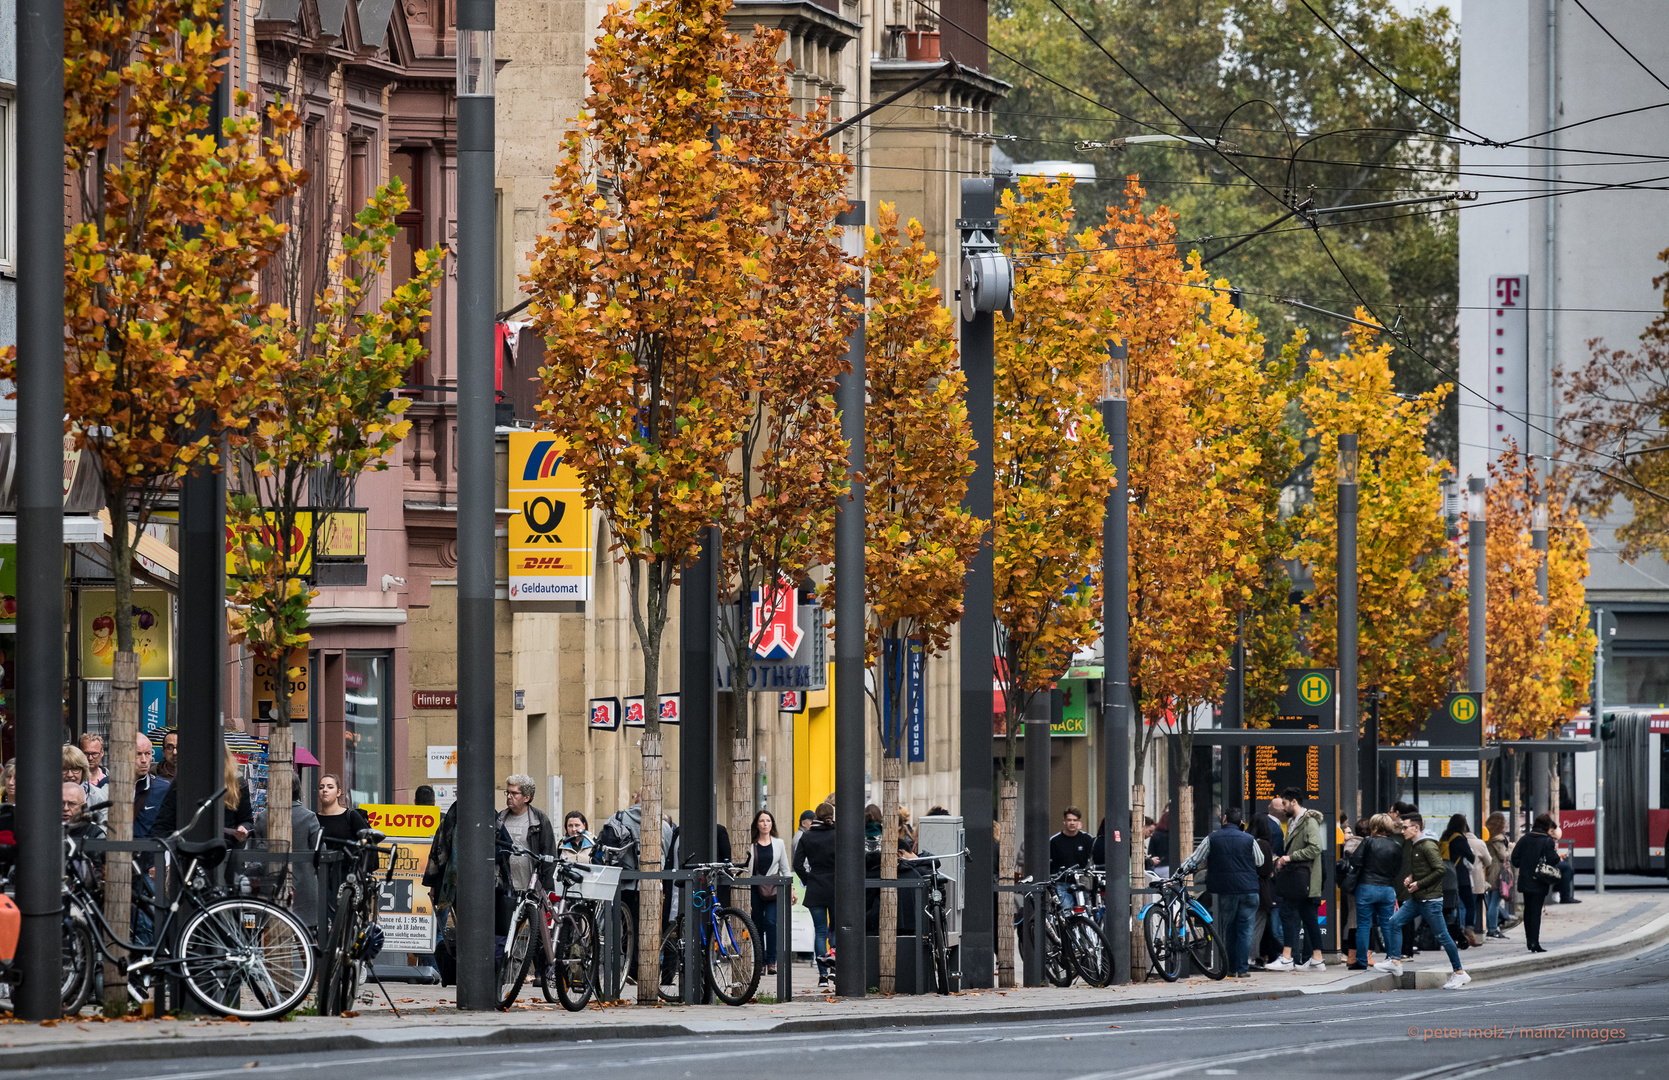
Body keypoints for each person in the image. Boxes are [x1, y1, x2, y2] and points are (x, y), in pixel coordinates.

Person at [1378, 813, 1470, 988]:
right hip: (1418, 899)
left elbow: (1439, 870)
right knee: (1394, 922)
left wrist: (1418, 884)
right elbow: (1425, 869)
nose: (1402, 830)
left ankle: (1459, 972)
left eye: (1405, 827)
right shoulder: (1415, 845)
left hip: (1430, 900)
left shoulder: (1427, 845)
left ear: (1416, 827)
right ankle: (1395, 962)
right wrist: (1411, 878)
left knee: (1443, 936)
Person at [1177, 807, 1262, 979]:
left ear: (1224, 819)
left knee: (1229, 929)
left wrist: (1178, 873)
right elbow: (1260, 861)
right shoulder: (1249, 839)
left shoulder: (1212, 838)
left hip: (1226, 890)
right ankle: (1243, 969)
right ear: (1241, 823)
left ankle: (1230, 968)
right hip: (1249, 890)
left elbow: (1195, 859)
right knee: (1245, 930)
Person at [598, 789, 676, 968]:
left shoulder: (617, 818)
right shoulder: (663, 826)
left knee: (624, 927)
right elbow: (666, 851)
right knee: (648, 930)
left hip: (623, 884)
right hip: (652, 886)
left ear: (635, 799)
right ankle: (642, 967)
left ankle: (623, 965)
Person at [1268, 788, 1325, 971]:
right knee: (1309, 917)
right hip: (1301, 878)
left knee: (1286, 912)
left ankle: (1286, 957)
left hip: (1302, 878)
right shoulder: (1294, 821)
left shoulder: (1308, 821)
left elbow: (1315, 847)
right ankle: (1317, 957)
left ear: (1293, 802)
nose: (1282, 808)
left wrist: (1289, 858)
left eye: (1284, 803)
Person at [1350, 814, 1404, 972]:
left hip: (1366, 886)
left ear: (1373, 826)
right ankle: (1390, 958)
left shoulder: (1368, 841)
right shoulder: (1396, 845)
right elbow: (1397, 869)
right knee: (1387, 924)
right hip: (1387, 888)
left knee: (1364, 925)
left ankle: (1361, 960)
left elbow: (1355, 860)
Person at [794, 801, 837, 990]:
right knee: (835, 929)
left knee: (820, 931)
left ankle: (822, 976)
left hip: (816, 886)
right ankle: (835, 967)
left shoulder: (807, 836)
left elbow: (797, 864)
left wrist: (808, 879)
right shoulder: (838, 834)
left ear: (815, 817)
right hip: (836, 886)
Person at [497, 773, 557, 893]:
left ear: (527, 797)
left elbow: (549, 856)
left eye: (514, 793)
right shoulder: (500, 818)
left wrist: (548, 891)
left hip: (531, 889)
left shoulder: (539, 820)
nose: (509, 796)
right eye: (507, 792)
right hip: (505, 888)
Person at [1511, 813, 1562, 952]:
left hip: (1526, 880)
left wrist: (1526, 864)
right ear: (1546, 827)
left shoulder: (1525, 839)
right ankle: (1535, 942)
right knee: (1536, 912)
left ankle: (1530, 941)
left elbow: (1514, 859)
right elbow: (1553, 860)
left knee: (1528, 911)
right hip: (1540, 881)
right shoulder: (1547, 841)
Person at [746, 810, 789, 976]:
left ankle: (772, 961)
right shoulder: (751, 844)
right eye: (762, 821)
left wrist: (790, 888)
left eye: (768, 821)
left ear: (772, 824)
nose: (765, 824)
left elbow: (785, 868)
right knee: (756, 924)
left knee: (771, 923)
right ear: (757, 824)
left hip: (772, 889)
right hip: (754, 889)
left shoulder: (778, 843)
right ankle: (760, 961)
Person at [1440, 814, 1481, 948]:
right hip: (1460, 876)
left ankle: (1451, 931)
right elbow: (1471, 857)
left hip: (1446, 876)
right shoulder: (1460, 839)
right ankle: (1467, 930)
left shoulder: (1445, 836)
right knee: (1469, 904)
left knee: (1450, 905)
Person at [1247, 811, 1278, 969]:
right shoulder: (1263, 844)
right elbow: (1266, 869)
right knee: (1257, 924)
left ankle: (1247, 956)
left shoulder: (1247, 840)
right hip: (1261, 888)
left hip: (1246, 886)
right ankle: (1252, 957)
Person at [1484, 812, 1510, 939]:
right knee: (1495, 902)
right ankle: (1493, 929)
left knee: (1490, 901)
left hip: (1489, 872)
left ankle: (1490, 927)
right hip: (1497, 873)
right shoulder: (1499, 839)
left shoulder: (1487, 835)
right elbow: (1503, 856)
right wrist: (1510, 848)